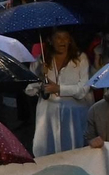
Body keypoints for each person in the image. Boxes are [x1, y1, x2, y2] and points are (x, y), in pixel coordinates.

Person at [29, 28, 91, 157]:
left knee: (74, 152)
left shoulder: (81, 58)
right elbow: (29, 89)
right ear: (50, 41)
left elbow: (83, 90)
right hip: (47, 116)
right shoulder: (41, 60)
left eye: (65, 38)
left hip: (73, 116)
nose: (62, 41)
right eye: (58, 38)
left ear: (70, 40)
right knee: (47, 152)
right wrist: (41, 75)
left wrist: (59, 88)